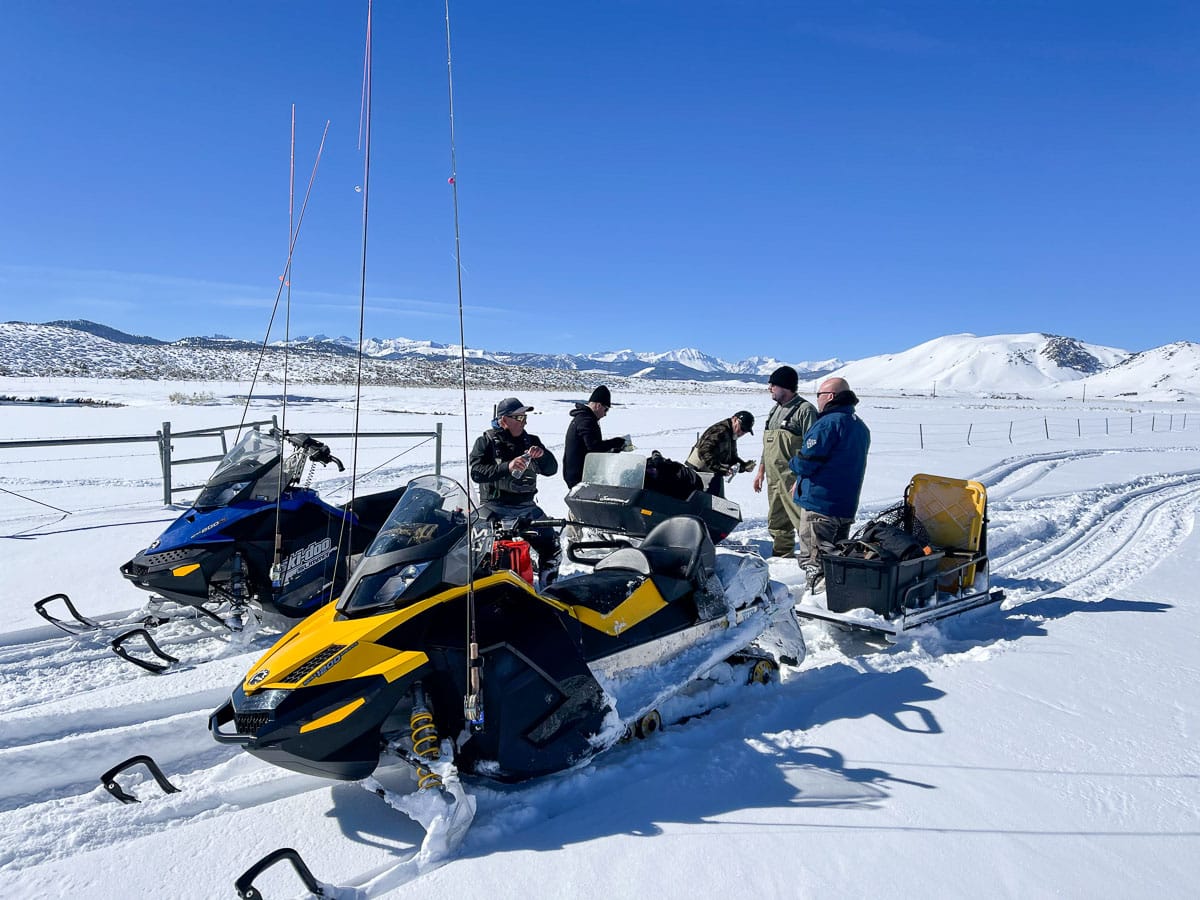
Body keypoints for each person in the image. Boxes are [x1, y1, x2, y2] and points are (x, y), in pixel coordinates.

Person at [790, 377, 870, 592]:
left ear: (830, 396)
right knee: (836, 560)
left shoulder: (827, 423)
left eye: (819, 395)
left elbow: (807, 462)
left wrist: (793, 463)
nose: (817, 400)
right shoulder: (859, 426)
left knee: (814, 562)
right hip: (845, 505)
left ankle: (816, 605)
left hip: (820, 506)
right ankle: (836, 598)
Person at [469, 397, 561, 585]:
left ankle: (549, 590)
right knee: (477, 553)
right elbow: (476, 473)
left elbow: (551, 470)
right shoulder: (486, 441)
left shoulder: (531, 441)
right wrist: (506, 467)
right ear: (504, 420)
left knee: (552, 546)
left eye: (524, 417)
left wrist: (543, 456)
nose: (524, 421)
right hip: (494, 507)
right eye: (519, 418)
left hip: (526, 507)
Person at [752, 366, 817, 559]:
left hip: (793, 479)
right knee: (777, 522)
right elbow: (768, 446)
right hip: (773, 479)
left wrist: (803, 477)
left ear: (785, 386)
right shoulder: (774, 411)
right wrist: (760, 472)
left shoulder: (805, 411)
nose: (769, 388)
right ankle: (782, 557)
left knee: (802, 522)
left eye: (773, 384)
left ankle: (813, 560)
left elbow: (813, 448)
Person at [563, 384, 631, 489]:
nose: (605, 414)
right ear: (598, 405)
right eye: (606, 409)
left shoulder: (584, 418)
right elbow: (594, 447)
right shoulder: (586, 420)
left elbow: (591, 448)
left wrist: (613, 449)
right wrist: (615, 442)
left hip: (581, 475)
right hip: (579, 478)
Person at [685, 410, 756, 498]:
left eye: (745, 431)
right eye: (742, 428)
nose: (742, 432)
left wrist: (744, 466)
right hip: (699, 474)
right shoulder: (720, 430)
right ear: (734, 419)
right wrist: (720, 468)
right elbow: (704, 451)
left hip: (711, 473)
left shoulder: (732, 434)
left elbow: (731, 458)